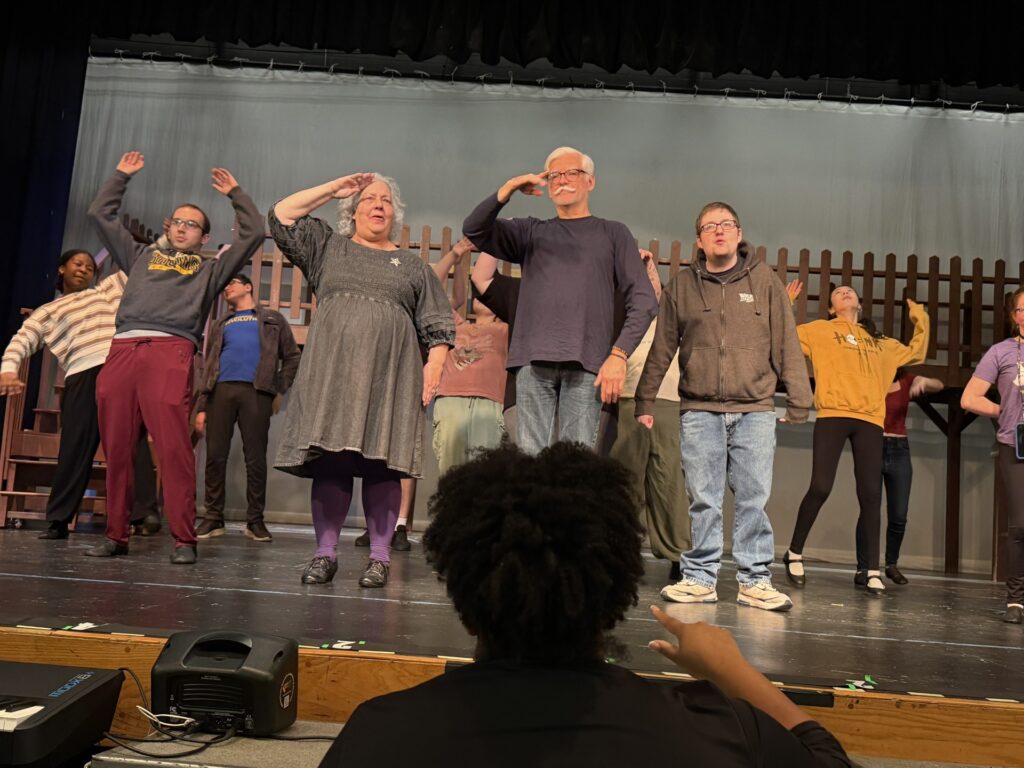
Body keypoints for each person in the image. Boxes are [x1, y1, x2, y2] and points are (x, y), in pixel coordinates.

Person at [318, 443, 851, 767]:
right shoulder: (718, 732)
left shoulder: (380, 734)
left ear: (465, 604)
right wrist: (734, 671)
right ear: (615, 598)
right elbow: (827, 760)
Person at [269, 172, 454, 587]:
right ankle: (325, 555)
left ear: (395, 214)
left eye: (386, 200)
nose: (378, 205)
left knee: (382, 465)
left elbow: (437, 321)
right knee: (331, 463)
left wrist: (436, 364)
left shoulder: (411, 266)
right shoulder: (328, 248)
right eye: (370, 199)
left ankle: (380, 558)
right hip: (332, 375)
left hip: (389, 379)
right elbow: (281, 216)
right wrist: (332, 188)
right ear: (352, 211)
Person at [85, 151, 265, 564]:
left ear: (204, 237)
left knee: (173, 449)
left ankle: (184, 539)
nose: (182, 227)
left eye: (192, 224)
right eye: (177, 221)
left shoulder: (210, 269)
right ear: (169, 227)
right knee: (115, 447)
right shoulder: (141, 255)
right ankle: (116, 534)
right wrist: (121, 176)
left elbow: (254, 232)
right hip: (123, 348)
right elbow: (100, 213)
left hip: (170, 351)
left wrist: (235, 193)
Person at [636, 203, 812, 612]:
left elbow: (787, 341)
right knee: (704, 497)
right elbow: (662, 346)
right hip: (699, 409)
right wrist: (645, 399)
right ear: (699, 240)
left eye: (726, 225)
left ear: (739, 233)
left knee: (753, 497)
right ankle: (700, 577)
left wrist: (800, 401)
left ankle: (755, 580)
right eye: (710, 227)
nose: (719, 231)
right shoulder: (682, 286)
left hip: (755, 409)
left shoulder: (766, 281)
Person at [462, 146, 657, 453]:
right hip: (532, 363)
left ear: (590, 182)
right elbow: (474, 228)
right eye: (554, 175)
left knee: (575, 470)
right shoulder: (531, 232)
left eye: (571, 173)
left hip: (588, 364)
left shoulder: (613, 234)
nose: (562, 180)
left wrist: (619, 355)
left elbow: (645, 300)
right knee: (530, 467)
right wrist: (508, 189)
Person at [0, 250, 158, 539]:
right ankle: (58, 519)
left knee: (131, 439)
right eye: (78, 264)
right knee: (75, 447)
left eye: (89, 266)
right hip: (81, 374)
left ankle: (143, 513)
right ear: (61, 269)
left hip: (118, 366)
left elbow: (145, 264)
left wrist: (167, 237)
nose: (84, 269)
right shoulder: (48, 310)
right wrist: (8, 370)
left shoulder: (107, 289)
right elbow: (22, 339)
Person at [784, 286, 929, 595]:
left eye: (850, 291)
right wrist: (787, 304)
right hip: (833, 414)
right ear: (831, 308)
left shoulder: (882, 343)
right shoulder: (820, 330)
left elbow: (916, 352)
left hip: (870, 420)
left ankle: (871, 570)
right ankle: (794, 552)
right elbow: (782, 336)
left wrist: (921, 320)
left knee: (871, 495)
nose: (845, 293)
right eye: (838, 292)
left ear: (860, 305)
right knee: (821, 486)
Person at [193, 273, 301, 543]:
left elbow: (292, 357)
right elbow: (208, 366)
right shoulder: (222, 323)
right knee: (215, 455)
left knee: (255, 458)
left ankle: (255, 521)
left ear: (248, 286)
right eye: (225, 284)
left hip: (256, 391)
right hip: (221, 391)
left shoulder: (272, 319)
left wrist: (278, 389)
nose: (226, 287)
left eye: (232, 283)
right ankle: (213, 517)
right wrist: (203, 405)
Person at [610, 249, 689, 581]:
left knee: (668, 479)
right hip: (628, 401)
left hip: (668, 402)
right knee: (626, 480)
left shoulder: (672, 325)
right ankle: (618, 551)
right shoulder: (623, 322)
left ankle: (679, 554)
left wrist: (649, 264)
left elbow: (657, 289)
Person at [961, 286, 1024, 624]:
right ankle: (1016, 599)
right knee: (1020, 525)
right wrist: (1003, 410)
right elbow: (969, 398)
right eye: (1022, 309)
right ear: (1014, 317)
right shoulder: (1001, 352)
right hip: (1015, 443)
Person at [875, 367, 943, 584]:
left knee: (899, 515)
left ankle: (891, 564)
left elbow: (938, 384)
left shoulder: (906, 381)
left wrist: (924, 384)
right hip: (873, 445)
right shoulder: (871, 378)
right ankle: (865, 566)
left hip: (899, 448)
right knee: (870, 511)